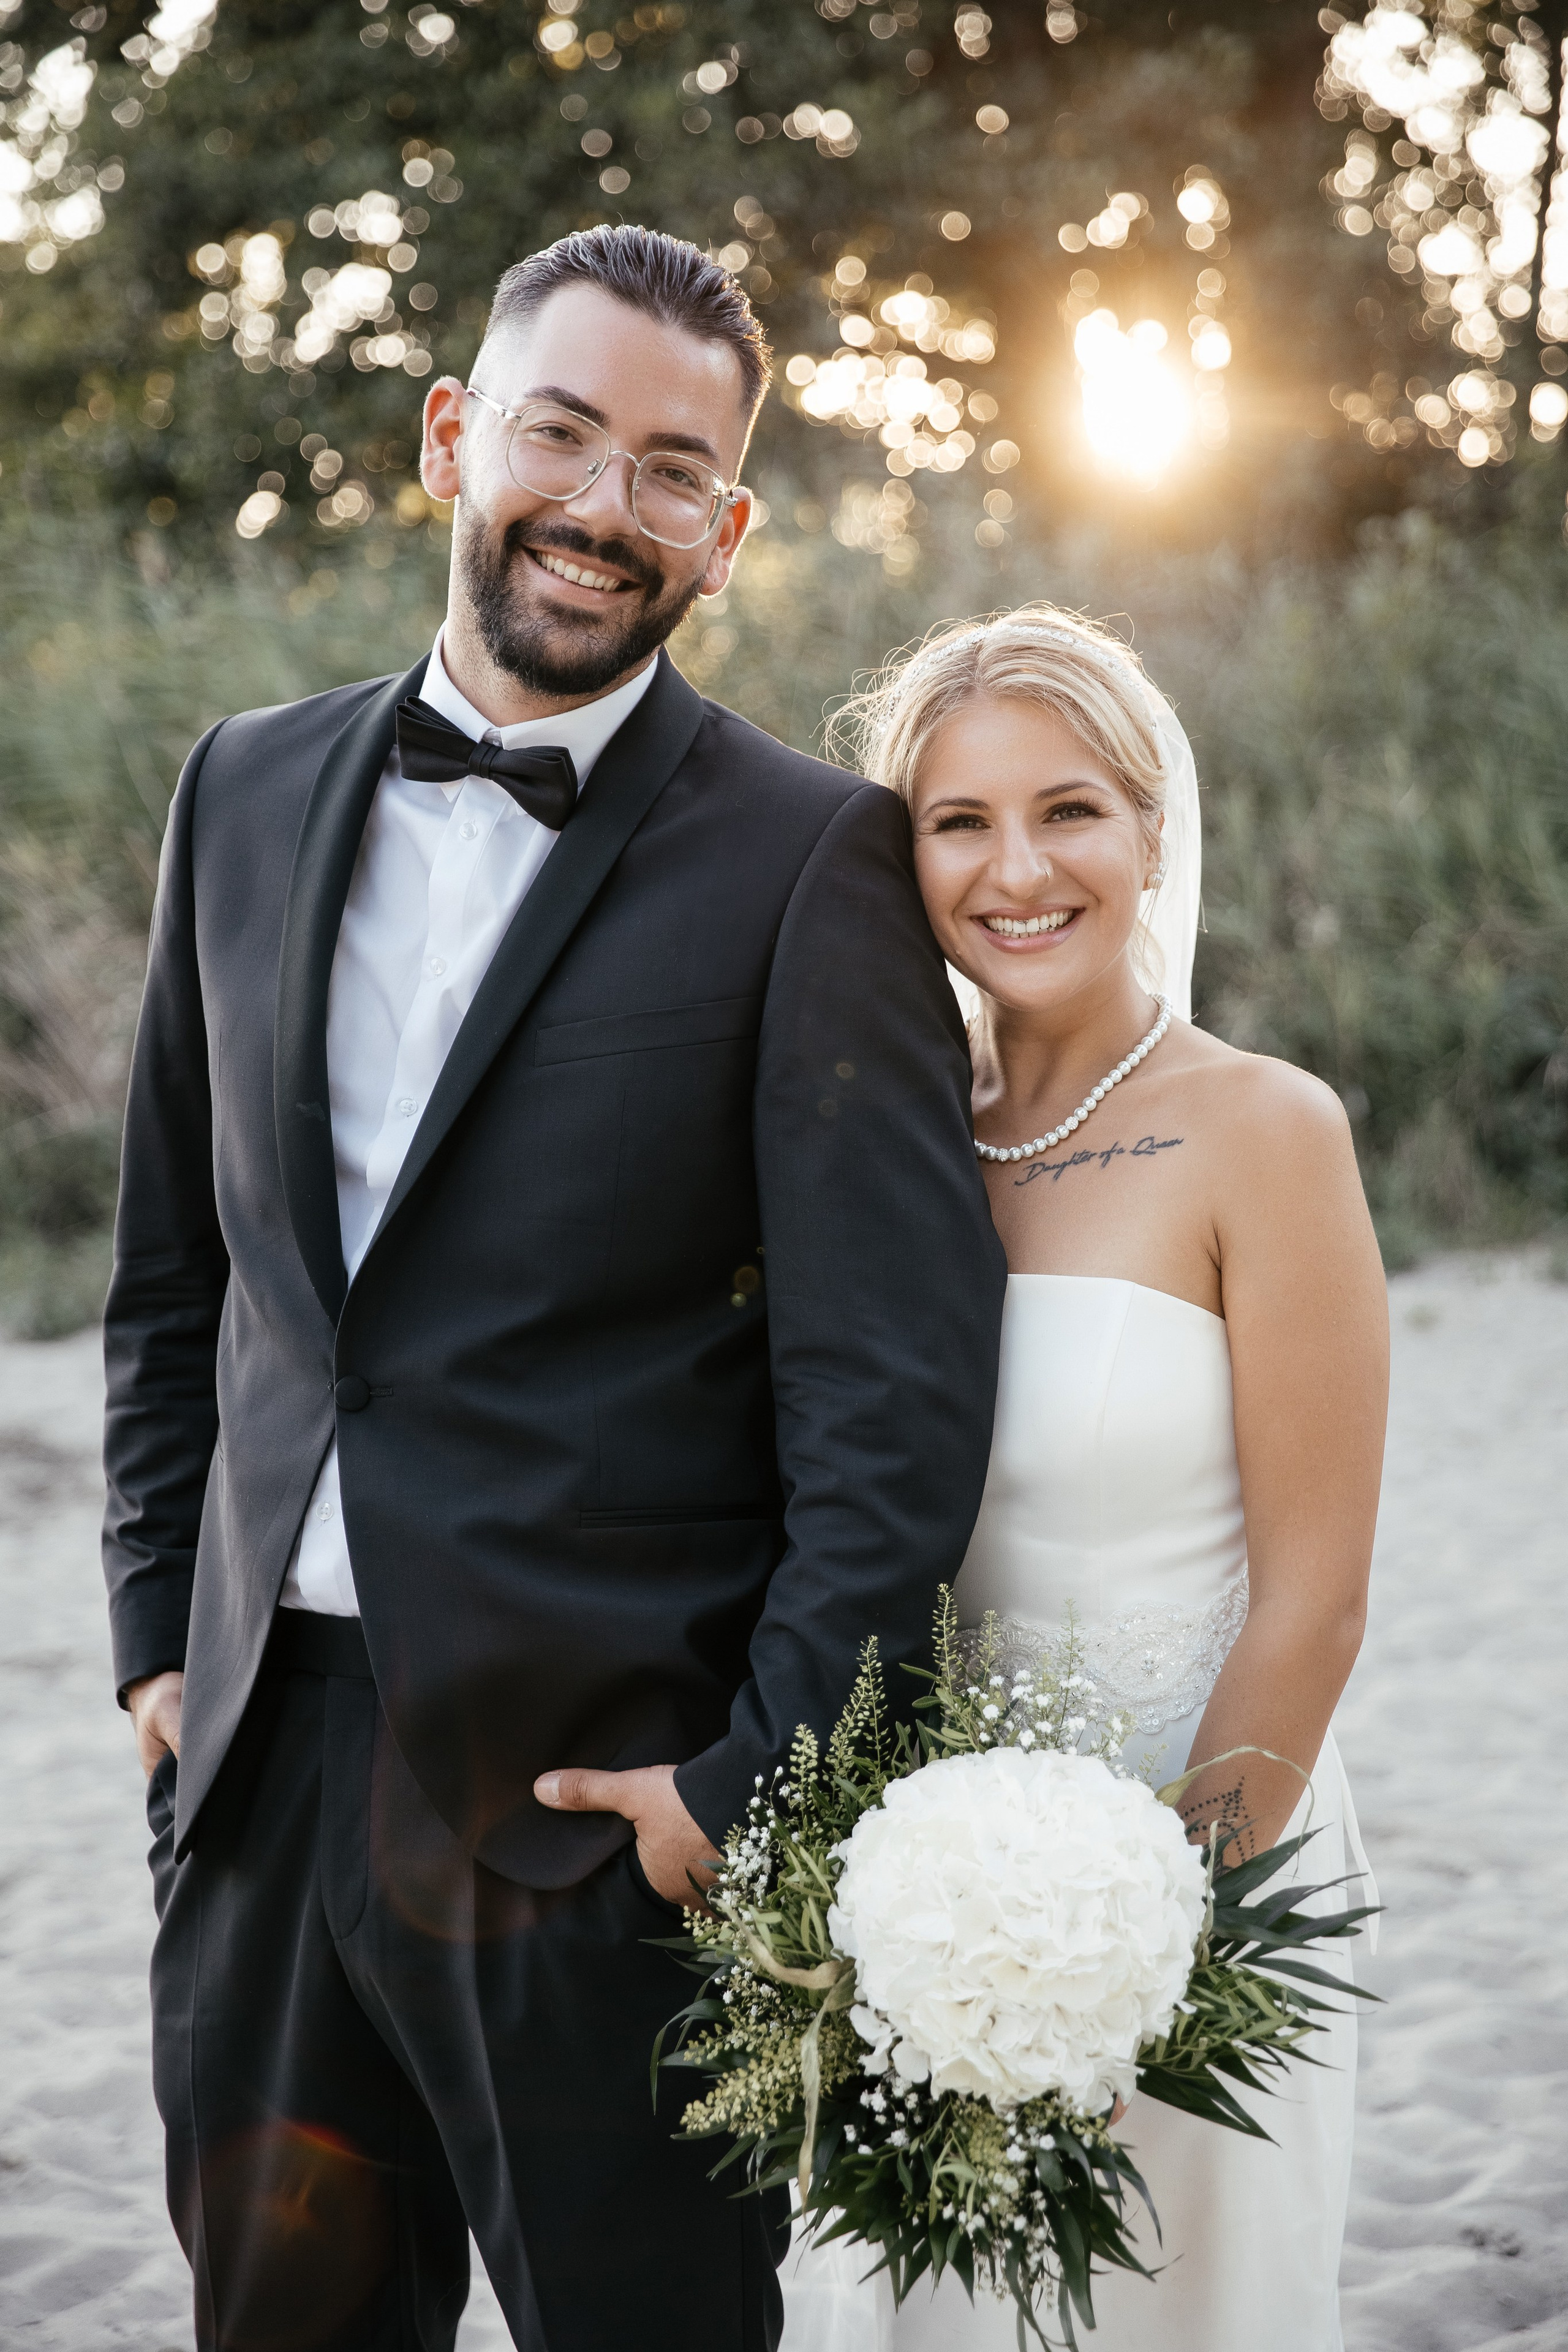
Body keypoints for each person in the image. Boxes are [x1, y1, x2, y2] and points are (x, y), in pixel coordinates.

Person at [102, 225, 1006, 2352]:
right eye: (564, 434)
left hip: (595, 1827)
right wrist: (157, 1640)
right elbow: (172, 1270)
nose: (607, 507)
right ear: (451, 438)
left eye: (674, 468)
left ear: (733, 525)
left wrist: (742, 1783)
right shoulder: (238, 787)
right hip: (246, 1782)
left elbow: (892, 1396)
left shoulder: (813, 861)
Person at [780, 607, 1387, 2352]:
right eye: (958, 823)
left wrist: (1154, 1966)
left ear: (1151, 833)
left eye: (1069, 812)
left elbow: (1320, 1595)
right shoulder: (878, 1135)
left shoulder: (1263, 1131)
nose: (1015, 868)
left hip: (1211, 1838)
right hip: (915, 1888)